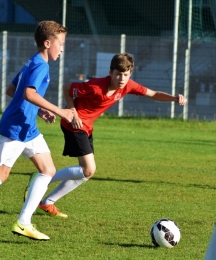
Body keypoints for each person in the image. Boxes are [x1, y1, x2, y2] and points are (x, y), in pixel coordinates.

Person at [24, 52, 187, 218]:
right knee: (89, 169)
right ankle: (42, 179)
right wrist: (72, 112)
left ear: (130, 73)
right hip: (73, 124)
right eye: (118, 75)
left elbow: (153, 94)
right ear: (111, 73)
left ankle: (47, 202)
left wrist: (174, 98)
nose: (122, 79)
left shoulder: (128, 85)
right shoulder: (95, 86)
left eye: (125, 75)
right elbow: (67, 87)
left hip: (87, 127)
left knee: (86, 173)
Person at [0, 20, 74, 243]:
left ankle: (24, 222)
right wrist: (60, 111)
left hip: (28, 127)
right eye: (61, 43)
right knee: (0, 174)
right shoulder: (41, 65)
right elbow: (28, 93)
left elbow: (13, 89)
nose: (62, 48)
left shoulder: (33, 61)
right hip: (17, 127)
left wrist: (39, 111)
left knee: (47, 170)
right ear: (48, 43)